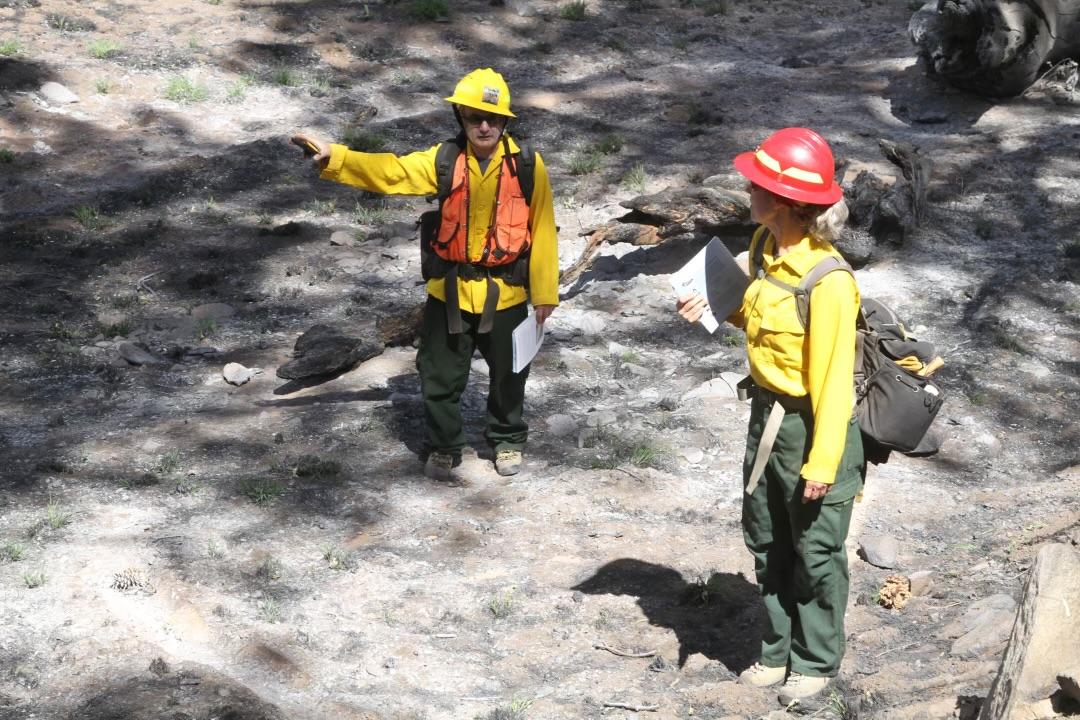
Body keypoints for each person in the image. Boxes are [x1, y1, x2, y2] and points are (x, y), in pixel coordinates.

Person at [292, 68, 559, 482]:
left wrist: (544, 295)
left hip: (507, 292)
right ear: (461, 119)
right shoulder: (443, 160)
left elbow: (542, 229)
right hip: (449, 292)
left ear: (505, 121)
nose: (484, 125)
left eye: (492, 118)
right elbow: (392, 172)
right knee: (438, 373)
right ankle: (444, 445)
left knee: (510, 374)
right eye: (473, 117)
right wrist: (336, 158)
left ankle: (507, 440)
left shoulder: (528, 165)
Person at [676, 128, 864, 704]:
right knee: (767, 539)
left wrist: (823, 464)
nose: (747, 189)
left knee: (815, 550)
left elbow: (834, 384)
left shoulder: (829, 282)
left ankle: (815, 661)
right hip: (767, 418)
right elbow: (763, 330)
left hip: (813, 428)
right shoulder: (764, 246)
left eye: (757, 183)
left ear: (783, 200)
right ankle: (776, 649)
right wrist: (713, 311)